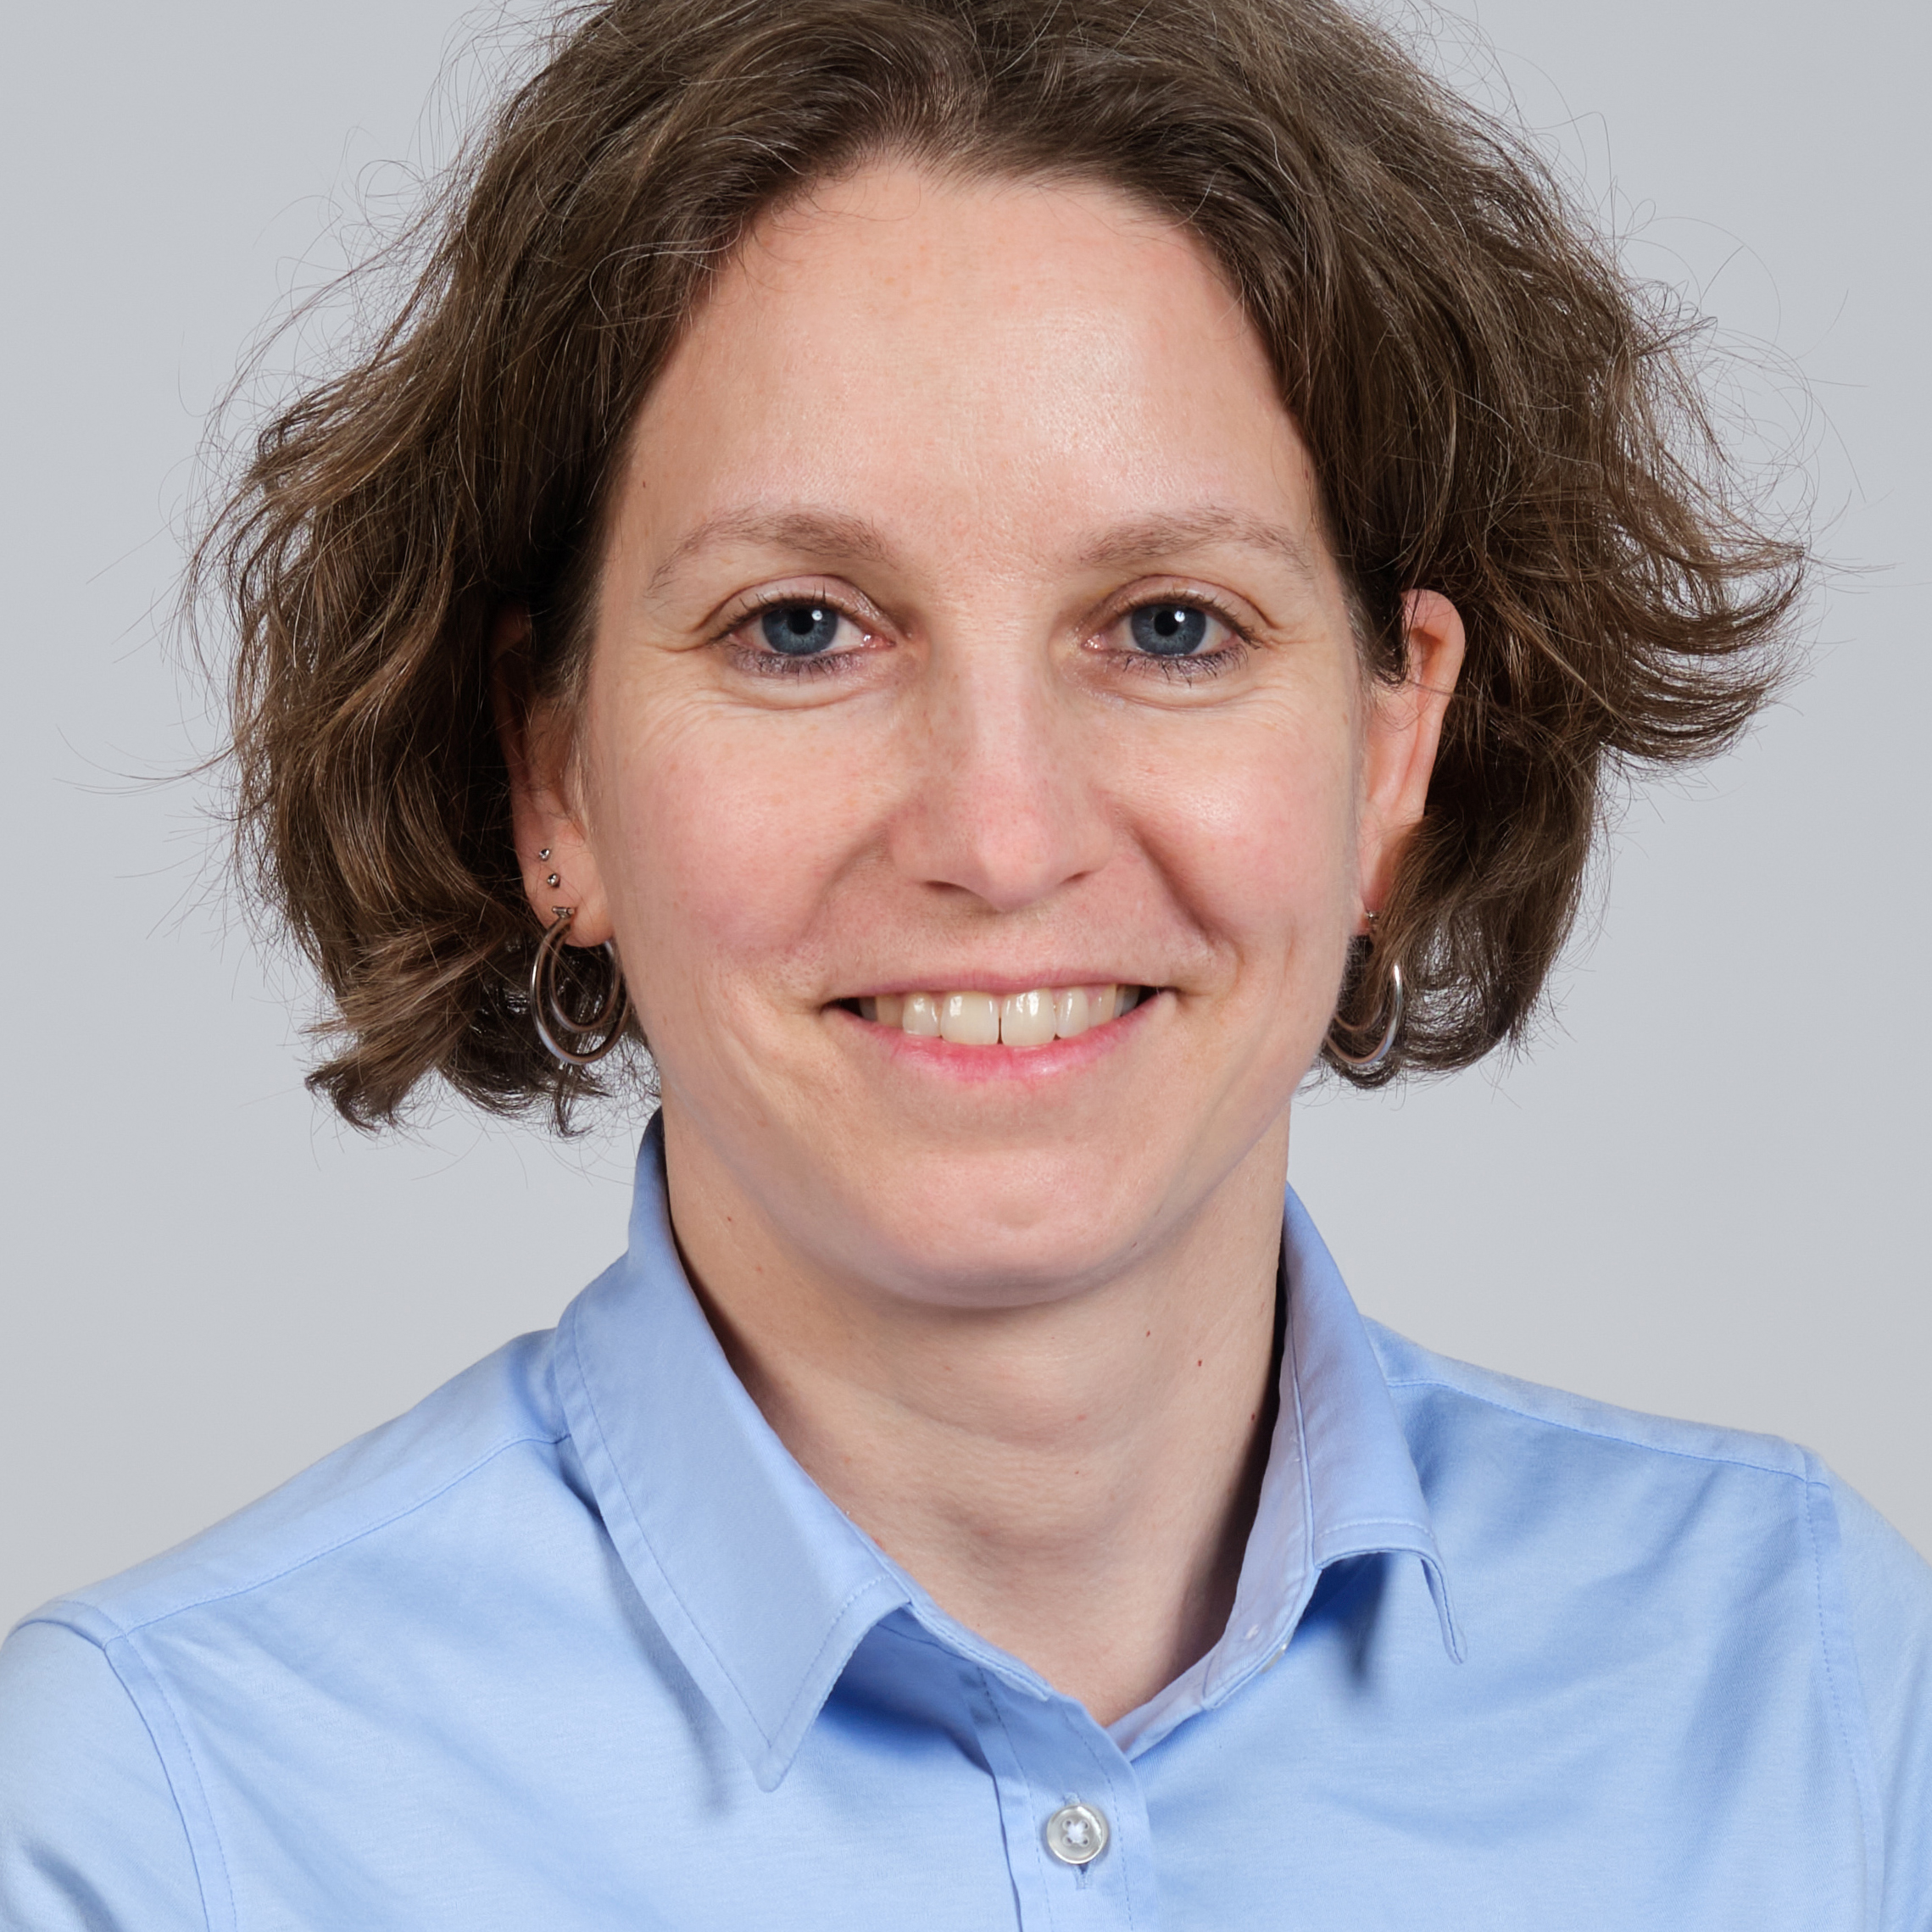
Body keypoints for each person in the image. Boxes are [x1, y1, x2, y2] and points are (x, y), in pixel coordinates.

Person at [2, 0, 1926, 1923]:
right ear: (551, 767)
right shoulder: (161, 1826)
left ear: (1390, 745)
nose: (1001, 839)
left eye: (1171, 627)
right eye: (801, 628)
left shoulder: (1817, 1698)